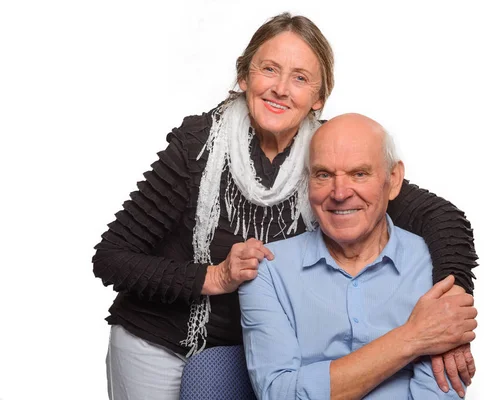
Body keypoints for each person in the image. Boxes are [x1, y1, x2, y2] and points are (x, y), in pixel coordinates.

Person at [92, 12, 478, 400]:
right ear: (244, 77)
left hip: (262, 351)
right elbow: (110, 257)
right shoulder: (198, 145)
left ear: (318, 98)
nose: (280, 88)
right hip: (159, 339)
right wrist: (215, 277)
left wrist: (449, 316)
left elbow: (441, 218)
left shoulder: (329, 157)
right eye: (269, 69)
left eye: (300, 78)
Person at [239, 113, 477, 399]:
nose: (340, 193)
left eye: (359, 174)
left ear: (394, 178)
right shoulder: (266, 270)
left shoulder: (435, 265)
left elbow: (438, 392)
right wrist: (413, 337)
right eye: (324, 175)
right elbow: (280, 394)